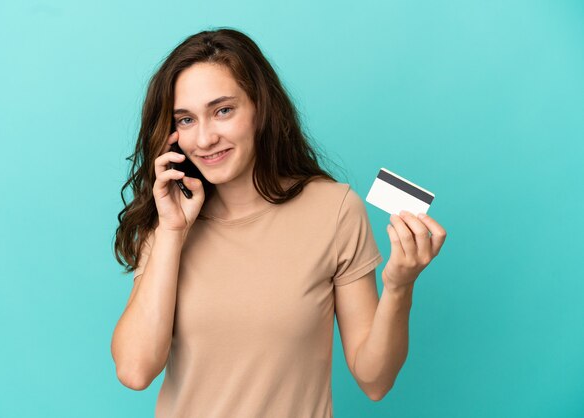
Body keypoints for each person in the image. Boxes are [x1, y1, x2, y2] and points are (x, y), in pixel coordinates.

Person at [111, 27, 447, 418]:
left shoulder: (334, 209)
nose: (203, 139)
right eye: (185, 120)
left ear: (260, 108)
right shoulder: (169, 218)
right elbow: (134, 371)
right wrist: (170, 232)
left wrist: (399, 286)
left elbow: (375, 381)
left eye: (223, 110)